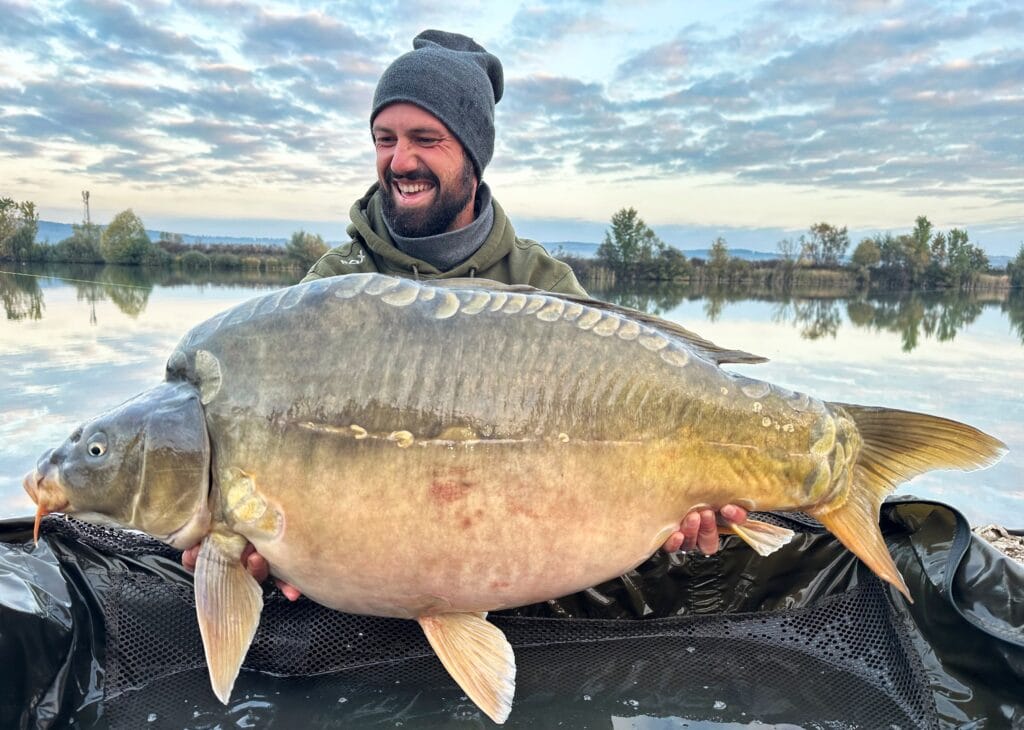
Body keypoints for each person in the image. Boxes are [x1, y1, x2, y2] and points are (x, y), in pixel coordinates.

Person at [183, 30, 748, 601]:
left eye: (425, 139)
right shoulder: (328, 293)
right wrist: (247, 550)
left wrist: (672, 518)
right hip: (369, 595)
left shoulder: (543, 286)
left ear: (473, 156)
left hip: (526, 581)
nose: (400, 160)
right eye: (385, 139)